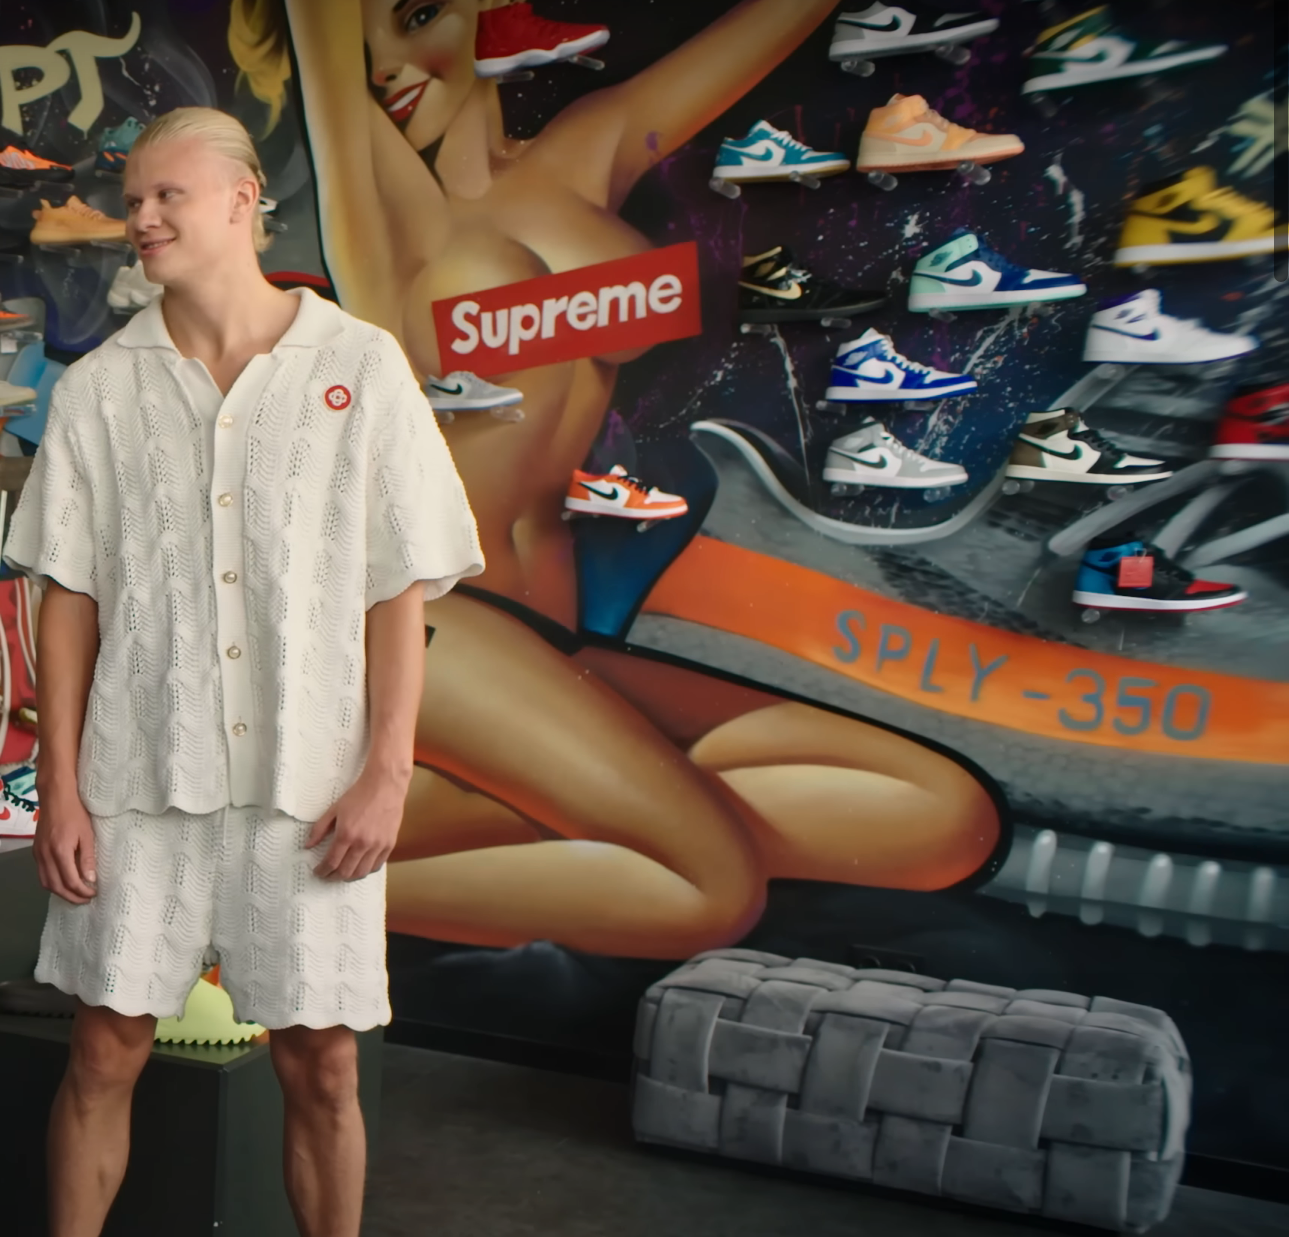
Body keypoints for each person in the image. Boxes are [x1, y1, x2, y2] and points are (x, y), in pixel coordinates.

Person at [288, 0, 996, 958]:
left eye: (415, 16)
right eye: (363, 35)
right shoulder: (382, 202)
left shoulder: (585, 150)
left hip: (544, 639)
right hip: (424, 622)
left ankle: (380, 832)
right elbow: (327, 49)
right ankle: (258, 894)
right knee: (709, 891)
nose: (385, 65)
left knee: (939, 816)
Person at [9, 108, 485, 1237]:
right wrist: (58, 782)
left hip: (307, 785)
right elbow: (66, 594)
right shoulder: (98, 389)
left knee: (321, 1063)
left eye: (165, 194)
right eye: (131, 198)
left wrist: (385, 772)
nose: (139, 216)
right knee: (100, 1050)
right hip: (138, 774)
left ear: (240, 200)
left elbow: (394, 589)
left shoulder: (358, 367)